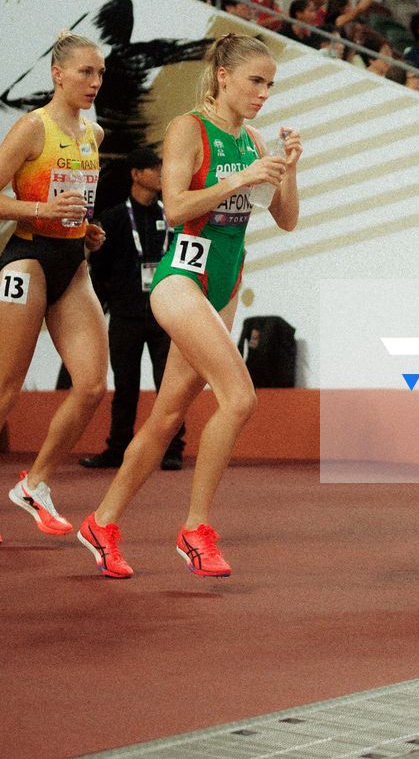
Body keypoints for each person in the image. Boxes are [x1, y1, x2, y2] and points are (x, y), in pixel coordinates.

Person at [78, 35, 301, 579]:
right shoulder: (189, 129)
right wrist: (241, 178)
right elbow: (175, 208)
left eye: (270, 84)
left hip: (221, 289)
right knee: (240, 398)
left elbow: (288, 219)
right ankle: (196, 528)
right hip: (180, 281)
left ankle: (102, 523)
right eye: (255, 81)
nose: (264, 93)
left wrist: (287, 167)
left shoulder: (250, 139)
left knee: (167, 417)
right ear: (222, 75)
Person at [0, 32, 110, 545]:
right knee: (5, 388)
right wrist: (43, 211)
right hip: (27, 260)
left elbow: (73, 200)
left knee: (91, 386)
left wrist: (86, 227)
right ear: (58, 74)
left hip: (71, 263)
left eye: (100, 74)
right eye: (85, 72)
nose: (94, 82)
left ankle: (35, 484)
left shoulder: (93, 134)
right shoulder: (31, 128)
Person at [78, 147, 187, 472]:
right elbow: (98, 267)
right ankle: (117, 449)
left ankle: (172, 449)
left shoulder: (172, 215)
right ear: (136, 174)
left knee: (170, 386)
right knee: (125, 386)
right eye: (154, 169)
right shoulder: (113, 219)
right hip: (125, 315)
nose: (160, 174)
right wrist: (111, 300)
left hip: (165, 316)